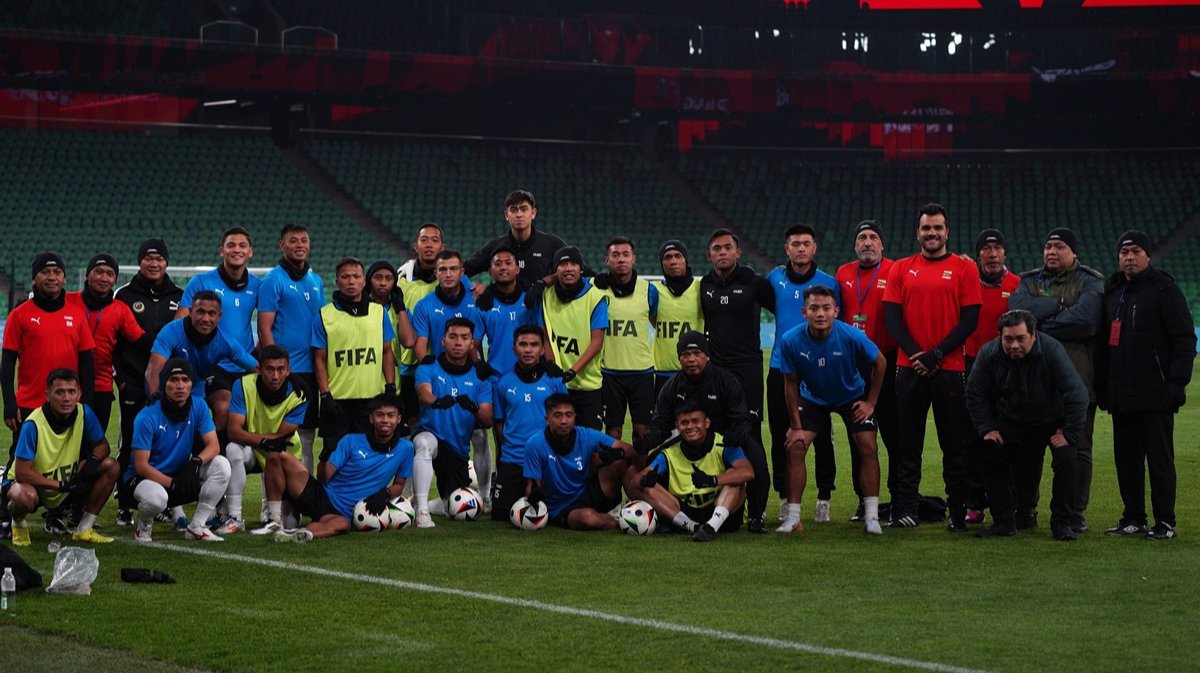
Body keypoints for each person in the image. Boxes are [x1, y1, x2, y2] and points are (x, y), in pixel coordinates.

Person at [882, 203, 982, 531]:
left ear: (947, 232)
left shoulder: (965, 269)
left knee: (954, 445)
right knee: (906, 444)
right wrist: (918, 355)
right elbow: (892, 320)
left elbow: (970, 320)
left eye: (938, 227)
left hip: (950, 369)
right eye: (926, 228)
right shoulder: (901, 268)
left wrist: (936, 354)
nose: (932, 233)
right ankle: (906, 510)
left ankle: (957, 513)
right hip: (908, 368)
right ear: (918, 233)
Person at [1095, 230, 1195, 540]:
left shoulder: (1164, 289)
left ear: (1148, 256)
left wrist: (1177, 382)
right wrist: (1104, 386)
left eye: (1136, 251)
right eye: (1124, 253)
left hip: (1156, 393)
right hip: (1122, 394)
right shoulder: (1113, 291)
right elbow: (1103, 344)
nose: (1129, 257)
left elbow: (1184, 338)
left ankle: (1165, 522)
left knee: (1160, 460)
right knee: (1126, 460)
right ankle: (1133, 517)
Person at [1008, 227, 1104, 533]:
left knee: (1077, 449)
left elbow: (1086, 321)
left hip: (1077, 384)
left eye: (1059, 246)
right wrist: (1061, 308)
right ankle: (1025, 508)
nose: (1051, 251)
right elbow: (1017, 313)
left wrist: (1037, 325)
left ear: (1073, 252)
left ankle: (1073, 512)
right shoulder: (1028, 280)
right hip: (1033, 386)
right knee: (1028, 451)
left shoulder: (1091, 281)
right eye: (1048, 246)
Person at [965, 310, 1088, 541]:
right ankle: (1004, 522)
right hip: (1012, 421)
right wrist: (987, 428)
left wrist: (1068, 433)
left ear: (1033, 335)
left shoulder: (1052, 351)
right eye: (1008, 339)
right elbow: (974, 393)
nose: (1014, 345)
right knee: (986, 449)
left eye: (1021, 338)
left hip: (1052, 421)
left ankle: (1062, 523)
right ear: (1000, 337)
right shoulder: (988, 353)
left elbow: (1077, 394)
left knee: (1067, 459)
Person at [776, 286, 886, 535]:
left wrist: (871, 403)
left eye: (826, 308)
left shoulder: (851, 336)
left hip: (851, 396)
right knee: (795, 447)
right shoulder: (790, 340)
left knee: (868, 446)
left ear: (836, 311)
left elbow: (880, 362)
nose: (820, 314)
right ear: (804, 312)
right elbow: (790, 383)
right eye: (814, 308)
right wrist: (795, 426)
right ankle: (793, 518)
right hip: (813, 398)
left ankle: (871, 517)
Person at [638, 332, 771, 533]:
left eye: (697, 353)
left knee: (756, 459)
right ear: (679, 358)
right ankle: (667, 514)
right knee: (652, 462)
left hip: (726, 437)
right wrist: (647, 441)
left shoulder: (725, 380)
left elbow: (742, 420)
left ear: (707, 356)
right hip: (690, 435)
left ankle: (756, 516)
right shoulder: (672, 386)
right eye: (686, 354)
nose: (691, 359)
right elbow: (661, 425)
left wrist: (736, 436)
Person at [699, 229, 774, 531]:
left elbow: (785, 310)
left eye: (727, 247)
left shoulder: (754, 283)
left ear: (738, 252)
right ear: (709, 255)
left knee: (750, 439)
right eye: (716, 248)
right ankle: (727, 508)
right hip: (716, 374)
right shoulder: (704, 285)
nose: (722, 252)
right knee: (718, 439)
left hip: (748, 373)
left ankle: (757, 513)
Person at [764, 224, 840, 523]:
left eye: (806, 243)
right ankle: (785, 498)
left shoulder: (829, 283)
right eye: (795, 244)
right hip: (780, 368)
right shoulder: (774, 279)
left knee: (822, 436)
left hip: (818, 370)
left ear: (814, 248)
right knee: (780, 436)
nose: (800, 248)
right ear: (787, 249)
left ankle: (824, 497)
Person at [272, 393, 414, 542]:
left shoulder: (406, 448)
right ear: (371, 418)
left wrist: (385, 493)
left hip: (340, 514)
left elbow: (399, 485)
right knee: (278, 453)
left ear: (398, 419)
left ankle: (297, 533)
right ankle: (273, 519)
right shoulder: (351, 441)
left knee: (343, 525)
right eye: (380, 415)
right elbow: (323, 478)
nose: (385, 420)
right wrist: (324, 457)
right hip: (320, 495)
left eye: (390, 415)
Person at [3, 369, 119, 546]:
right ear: (47, 395)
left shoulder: (84, 413)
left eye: (71, 392)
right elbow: (22, 473)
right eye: (60, 392)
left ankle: (84, 528)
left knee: (111, 466)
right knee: (22, 496)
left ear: (79, 394)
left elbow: (102, 445)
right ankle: (18, 523)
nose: (66, 398)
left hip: (66, 481)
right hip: (33, 485)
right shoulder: (33, 424)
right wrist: (61, 485)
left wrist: (93, 460)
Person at [112, 238, 183, 525]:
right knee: (130, 441)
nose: (154, 264)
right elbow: (112, 341)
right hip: (132, 382)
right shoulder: (124, 295)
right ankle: (124, 503)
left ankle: (163, 501)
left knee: (165, 443)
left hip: (169, 385)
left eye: (159, 259)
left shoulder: (180, 295)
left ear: (167, 262)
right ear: (140, 262)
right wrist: (121, 379)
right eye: (148, 258)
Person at [127, 359, 231, 543]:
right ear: (164, 383)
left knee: (222, 465)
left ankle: (197, 526)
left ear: (192, 383)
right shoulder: (147, 416)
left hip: (178, 472)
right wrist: (173, 483)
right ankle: (143, 525)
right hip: (144, 479)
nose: (180, 385)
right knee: (157, 500)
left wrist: (195, 462)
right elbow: (141, 466)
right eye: (174, 379)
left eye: (185, 379)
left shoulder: (198, 405)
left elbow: (213, 445)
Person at [835, 220, 899, 521]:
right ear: (855, 245)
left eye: (873, 237)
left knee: (895, 436)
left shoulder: (895, 270)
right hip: (853, 364)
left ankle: (900, 500)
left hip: (888, 359)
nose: (867, 242)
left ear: (882, 244)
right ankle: (864, 501)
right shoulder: (843, 273)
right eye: (862, 237)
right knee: (858, 438)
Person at [176, 226, 261, 445]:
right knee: (223, 410)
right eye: (231, 245)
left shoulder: (257, 285)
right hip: (213, 362)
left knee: (248, 419)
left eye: (242, 245)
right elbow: (179, 324)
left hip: (244, 363)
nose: (237, 250)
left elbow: (271, 322)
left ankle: (231, 457)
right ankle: (206, 454)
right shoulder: (201, 282)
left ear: (250, 252)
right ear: (222, 250)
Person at [3, 252, 96, 444]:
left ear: (64, 279)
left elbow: (87, 362)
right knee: (24, 460)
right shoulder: (18, 315)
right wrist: (9, 404)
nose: (52, 277)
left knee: (69, 459)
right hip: (29, 405)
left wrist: (86, 404)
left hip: (68, 405)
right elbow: (7, 363)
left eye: (57, 272)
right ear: (34, 279)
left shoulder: (77, 315)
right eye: (45, 272)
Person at [410, 318, 494, 528]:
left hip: (457, 449)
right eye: (453, 337)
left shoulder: (480, 378)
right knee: (424, 444)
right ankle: (421, 511)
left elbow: (487, 419)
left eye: (464, 338)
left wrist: (474, 407)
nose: (458, 342)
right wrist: (436, 401)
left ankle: (424, 504)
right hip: (430, 434)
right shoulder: (428, 367)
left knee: (455, 506)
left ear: (472, 344)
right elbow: (423, 393)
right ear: (443, 341)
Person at [313, 257, 398, 458]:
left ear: (363, 281)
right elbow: (319, 359)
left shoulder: (379, 313)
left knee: (368, 456)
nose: (351, 281)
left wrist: (390, 386)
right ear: (337, 282)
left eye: (356, 276)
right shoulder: (324, 315)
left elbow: (387, 351)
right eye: (345, 277)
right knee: (332, 457)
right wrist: (325, 395)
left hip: (370, 400)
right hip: (336, 400)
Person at [962, 229, 1020, 525]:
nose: (992, 253)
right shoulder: (966, 282)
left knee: (1008, 436)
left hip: (1006, 367)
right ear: (978, 255)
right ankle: (974, 502)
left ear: (1005, 253)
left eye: (997, 248)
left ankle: (1012, 502)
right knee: (972, 436)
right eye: (986, 248)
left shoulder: (1017, 286)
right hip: (972, 366)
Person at [257, 223, 326, 471]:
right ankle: (272, 493)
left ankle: (304, 487)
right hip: (286, 372)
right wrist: (276, 369)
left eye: (303, 240)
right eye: (293, 240)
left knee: (307, 437)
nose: (299, 245)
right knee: (279, 436)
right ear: (282, 245)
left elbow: (322, 324)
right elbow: (264, 328)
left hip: (311, 370)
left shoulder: (316, 280)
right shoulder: (273, 280)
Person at [222, 345, 310, 536]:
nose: (275, 376)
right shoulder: (243, 385)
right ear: (259, 369)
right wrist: (262, 442)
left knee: (291, 523)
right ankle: (235, 518)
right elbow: (233, 431)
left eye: (280, 369)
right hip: (255, 450)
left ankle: (275, 518)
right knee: (232, 449)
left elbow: (281, 438)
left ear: (289, 370)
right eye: (270, 369)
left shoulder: (300, 393)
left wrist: (265, 442)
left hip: (285, 455)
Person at [636, 402, 754, 542]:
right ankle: (694, 527)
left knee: (734, 477)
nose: (690, 427)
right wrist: (646, 478)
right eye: (684, 423)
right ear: (677, 426)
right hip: (685, 513)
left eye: (695, 421)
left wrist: (713, 480)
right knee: (647, 487)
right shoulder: (669, 453)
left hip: (721, 512)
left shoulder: (724, 444)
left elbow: (748, 472)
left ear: (707, 423)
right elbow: (638, 479)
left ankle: (711, 527)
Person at [523, 393, 635, 531]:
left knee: (619, 462)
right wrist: (534, 496)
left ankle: (635, 505)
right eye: (557, 415)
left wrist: (615, 454)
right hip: (562, 507)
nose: (564, 421)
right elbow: (531, 487)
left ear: (575, 417)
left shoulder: (586, 435)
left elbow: (630, 450)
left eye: (569, 415)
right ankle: (624, 522)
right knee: (588, 519)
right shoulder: (534, 445)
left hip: (587, 491)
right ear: (547, 419)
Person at [525, 246, 608, 430]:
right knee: (557, 437)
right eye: (563, 264)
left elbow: (597, 342)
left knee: (589, 441)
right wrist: (552, 363)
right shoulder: (546, 295)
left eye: (573, 264)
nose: (568, 268)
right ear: (556, 270)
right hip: (557, 383)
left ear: (581, 269)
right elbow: (544, 335)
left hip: (588, 385)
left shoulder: (596, 297)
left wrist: (572, 371)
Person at [491, 326, 569, 520]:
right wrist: (511, 447)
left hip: (546, 459)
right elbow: (499, 423)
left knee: (555, 514)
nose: (528, 350)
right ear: (514, 349)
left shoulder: (555, 381)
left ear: (542, 350)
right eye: (523, 344)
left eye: (534, 345)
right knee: (500, 514)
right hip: (513, 459)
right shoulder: (504, 383)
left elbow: (565, 421)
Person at [68, 253, 149, 433]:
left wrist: (172, 337)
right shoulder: (68, 301)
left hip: (101, 387)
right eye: (98, 272)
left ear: (115, 280)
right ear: (87, 275)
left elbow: (140, 340)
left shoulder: (120, 309)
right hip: (66, 385)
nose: (104, 278)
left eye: (110, 274)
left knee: (94, 443)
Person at [592, 237, 658, 442]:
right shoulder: (596, 289)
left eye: (625, 254)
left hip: (642, 372)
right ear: (607, 260)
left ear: (634, 259)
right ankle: (615, 465)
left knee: (643, 433)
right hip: (609, 372)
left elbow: (656, 322)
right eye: (615, 255)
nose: (621, 259)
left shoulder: (649, 290)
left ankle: (641, 465)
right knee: (613, 432)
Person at [397, 223, 463, 428]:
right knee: (412, 423)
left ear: (442, 246)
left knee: (450, 419)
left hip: (446, 364)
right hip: (410, 364)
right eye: (424, 240)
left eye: (434, 240)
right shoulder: (402, 279)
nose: (429, 245)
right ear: (415, 246)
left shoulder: (454, 280)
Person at [146, 291, 258, 401]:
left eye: (211, 313)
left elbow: (256, 367)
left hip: (196, 390)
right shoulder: (171, 332)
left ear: (219, 316)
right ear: (191, 312)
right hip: (165, 390)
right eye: (200, 312)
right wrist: (156, 400)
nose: (205, 319)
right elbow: (153, 371)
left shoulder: (226, 342)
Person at [465, 190, 572, 289]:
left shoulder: (552, 244)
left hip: (542, 304)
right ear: (506, 215)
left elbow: (575, 270)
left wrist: (547, 282)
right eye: (513, 210)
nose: (519, 214)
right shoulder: (494, 246)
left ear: (533, 213)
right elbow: (462, 271)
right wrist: (473, 292)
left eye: (524, 209)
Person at [650, 240, 703, 396]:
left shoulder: (700, 288)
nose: (673, 261)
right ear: (662, 263)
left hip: (696, 371)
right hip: (663, 373)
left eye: (678, 256)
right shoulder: (653, 290)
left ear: (685, 260)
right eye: (667, 257)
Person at [411, 250, 485, 362]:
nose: (448, 275)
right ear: (435, 273)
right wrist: (432, 369)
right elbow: (420, 346)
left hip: (473, 370)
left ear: (461, 272)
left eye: (453, 269)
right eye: (443, 269)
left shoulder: (477, 298)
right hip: (440, 371)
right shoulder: (423, 306)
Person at [476, 246, 533, 376]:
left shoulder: (531, 299)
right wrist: (479, 363)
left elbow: (544, 337)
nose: (503, 267)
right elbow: (473, 344)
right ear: (490, 272)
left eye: (508, 263)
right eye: (497, 264)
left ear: (517, 269)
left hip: (529, 378)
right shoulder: (483, 303)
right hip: (496, 378)